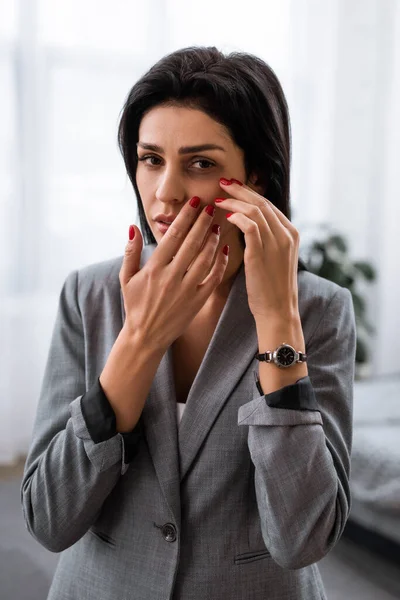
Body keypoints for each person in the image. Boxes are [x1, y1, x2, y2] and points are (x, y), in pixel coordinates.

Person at [21, 46, 356, 600]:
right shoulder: (89, 295)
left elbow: (304, 539)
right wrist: (141, 339)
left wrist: (276, 317)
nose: (165, 192)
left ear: (256, 178)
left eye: (200, 163)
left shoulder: (319, 310)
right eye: (151, 158)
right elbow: (49, 519)